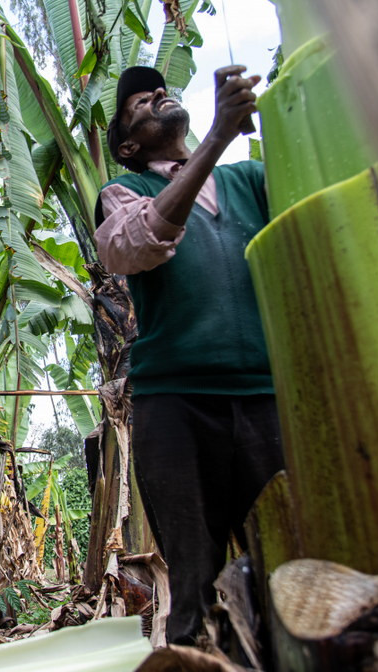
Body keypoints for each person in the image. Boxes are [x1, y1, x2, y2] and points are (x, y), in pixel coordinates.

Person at [93, 66, 285, 645]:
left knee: (286, 573)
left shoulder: (250, 180)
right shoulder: (124, 193)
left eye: (158, 91)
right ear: (129, 146)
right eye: (137, 104)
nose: (154, 95)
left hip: (266, 401)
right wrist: (218, 137)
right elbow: (133, 249)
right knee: (194, 582)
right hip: (174, 405)